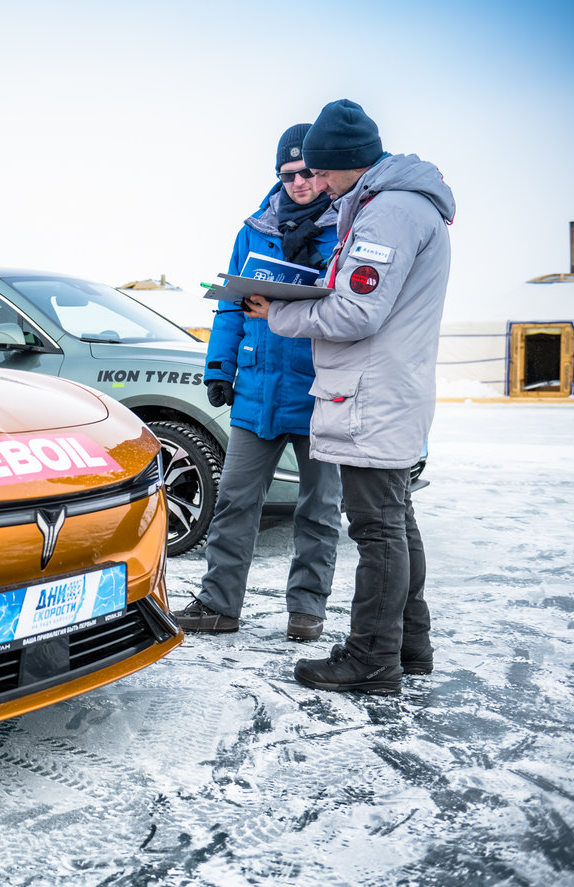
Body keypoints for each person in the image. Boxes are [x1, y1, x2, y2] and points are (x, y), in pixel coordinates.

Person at [243, 99, 455, 695]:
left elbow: (358, 311)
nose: (320, 183)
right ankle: (408, 644)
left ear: (345, 162)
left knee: (377, 527)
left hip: (372, 392)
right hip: (385, 386)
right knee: (395, 522)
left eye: (324, 170)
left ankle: (371, 658)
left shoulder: (387, 213)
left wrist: (279, 311)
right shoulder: (397, 206)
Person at [173, 124, 344, 642]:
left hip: (320, 392)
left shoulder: (348, 226)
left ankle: (306, 612)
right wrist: (220, 368)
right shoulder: (254, 228)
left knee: (318, 510)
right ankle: (219, 603)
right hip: (257, 392)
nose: (299, 182)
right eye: (287, 174)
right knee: (234, 502)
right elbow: (229, 304)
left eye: (309, 172)